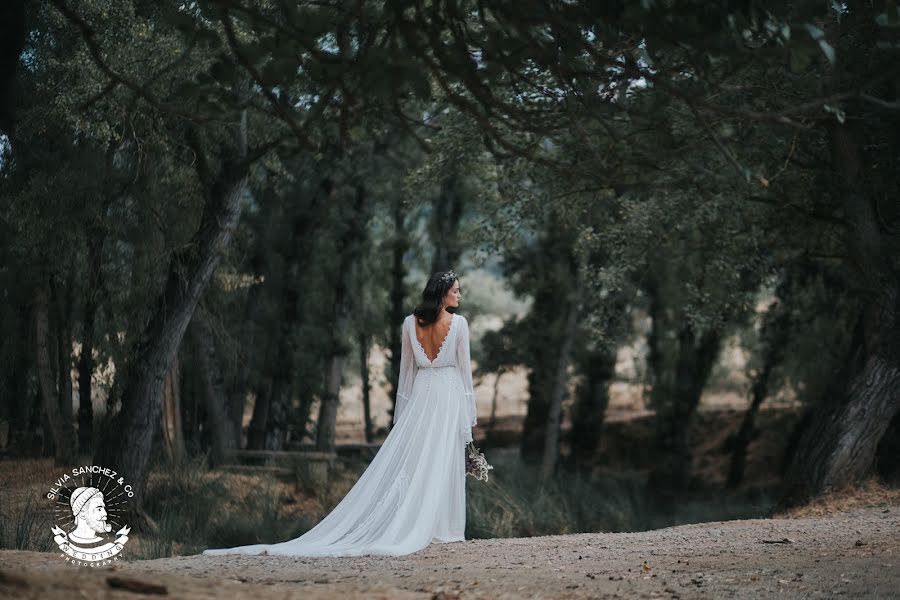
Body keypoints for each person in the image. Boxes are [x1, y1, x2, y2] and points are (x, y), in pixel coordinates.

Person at [202, 270, 477, 557]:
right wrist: (469, 416)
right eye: (455, 290)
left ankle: (423, 523)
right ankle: (444, 529)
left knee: (419, 459)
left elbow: (406, 374)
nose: (459, 295)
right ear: (442, 292)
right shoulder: (459, 325)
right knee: (442, 457)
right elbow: (465, 372)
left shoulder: (410, 324)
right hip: (446, 394)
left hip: (421, 393)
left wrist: (402, 416)